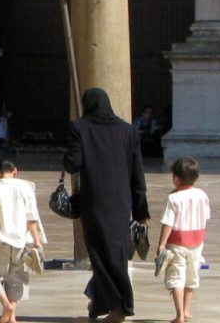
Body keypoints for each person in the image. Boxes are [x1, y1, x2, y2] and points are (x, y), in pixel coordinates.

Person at [63, 87, 149, 323]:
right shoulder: (128, 131)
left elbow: (73, 163)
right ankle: (100, 304)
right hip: (121, 204)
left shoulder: (80, 128)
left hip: (95, 203)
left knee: (102, 255)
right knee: (113, 253)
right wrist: (140, 209)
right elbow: (137, 174)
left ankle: (122, 306)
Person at [0, 150, 46, 323]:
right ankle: (12, 318)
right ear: (15, 171)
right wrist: (37, 242)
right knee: (16, 278)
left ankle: (7, 305)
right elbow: (32, 219)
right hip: (21, 243)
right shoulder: (26, 189)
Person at [155, 157, 211, 323]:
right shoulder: (202, 195)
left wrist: (162, 245)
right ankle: (186, 310)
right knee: (192, 276)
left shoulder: (173, 198)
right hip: (197, 242)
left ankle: (179, 315)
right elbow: (206, 217)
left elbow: (167, 223)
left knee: (176, 277)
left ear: (176, 178)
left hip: (177, 243)